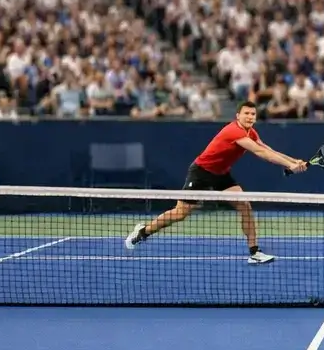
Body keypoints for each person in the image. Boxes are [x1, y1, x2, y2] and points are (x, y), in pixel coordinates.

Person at [124, 100, 306, 263]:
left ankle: (254, 252)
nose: (250, 116)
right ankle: (143, 232)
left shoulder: (251, 132)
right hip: (201, 172)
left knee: (245, 205)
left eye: (253, 114)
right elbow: (261, 153)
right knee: (180, 213)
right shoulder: (234, 131)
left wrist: (293, 161)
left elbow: (267, 148)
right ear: (238, 116)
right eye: (246, 113)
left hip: (221, 174)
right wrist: (290, 165)